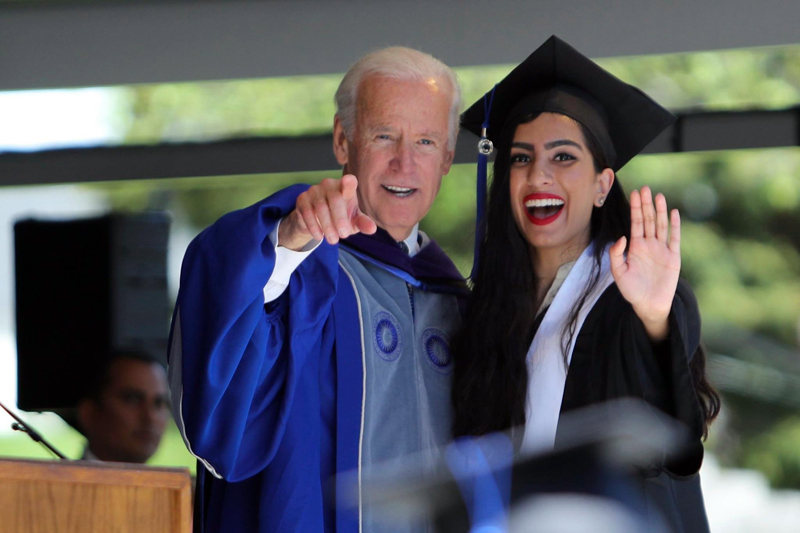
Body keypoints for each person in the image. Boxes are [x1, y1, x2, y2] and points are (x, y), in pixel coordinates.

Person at [168, 47, 467, 532]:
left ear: (449, 158)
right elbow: (226, 412)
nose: (404, 163)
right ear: (343, 141)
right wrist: (284, 245)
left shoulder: (462, 306)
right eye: (384, 135)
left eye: (427, 142)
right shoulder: (301, 273)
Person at [453, 36, 721, 532]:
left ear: (602, 184)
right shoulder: (490, 312)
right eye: (519, 158)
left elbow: (677, 449)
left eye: (563, 158)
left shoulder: (632, 292)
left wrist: (655, 321)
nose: (538, 175)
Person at [77, 351, 170, 463]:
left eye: (159, 403)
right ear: (89, 414)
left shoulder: (186, 480)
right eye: (132, 400)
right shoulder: (55, 481)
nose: (150, 417)